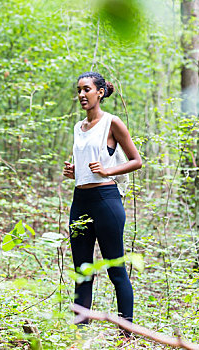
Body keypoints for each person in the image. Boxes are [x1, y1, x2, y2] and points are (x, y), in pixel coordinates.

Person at [63, 71, 142, 325]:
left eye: (86, 89)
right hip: (80, 201)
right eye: (78, 90)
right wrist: (75, 170)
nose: (81, 95)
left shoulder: (112, 122)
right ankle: (81, 333)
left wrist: (108, 171)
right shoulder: (78, 127)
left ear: (100, 92)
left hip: (106, 201)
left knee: (115, 270)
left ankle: (125, 334)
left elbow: (136, 161)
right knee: (82, 272)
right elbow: (86, 163)